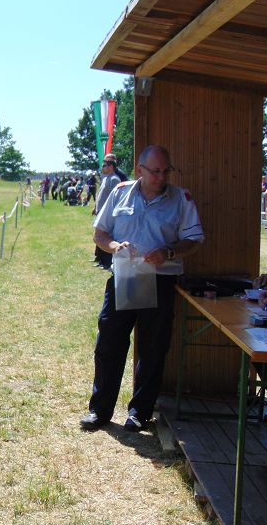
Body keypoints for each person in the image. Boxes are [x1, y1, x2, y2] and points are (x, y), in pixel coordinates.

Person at [80, 145, 205, 432]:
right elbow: (100, 233)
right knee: (109, 342)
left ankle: (139, 412)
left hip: (160, 281)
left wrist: (169, 252)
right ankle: (99, 411)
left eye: (166, 171)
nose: (161, 177)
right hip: (124, 278)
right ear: (140, 170)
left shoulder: (180, 199)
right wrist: (114, 246)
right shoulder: (120, 191)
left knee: (152, 348)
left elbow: (194, 239)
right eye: (155, 171)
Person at [92, 158, 123, 269]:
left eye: (105, 165)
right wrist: (95, 207)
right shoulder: (106, 178)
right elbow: (101, 194)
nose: (103, 167)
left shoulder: (114, 179)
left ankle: (106, 262)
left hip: (108, 214)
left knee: (107, 237)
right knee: (99, 235)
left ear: (111, 167)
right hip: (100, 212)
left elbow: (116, 198)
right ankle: (101, 260)